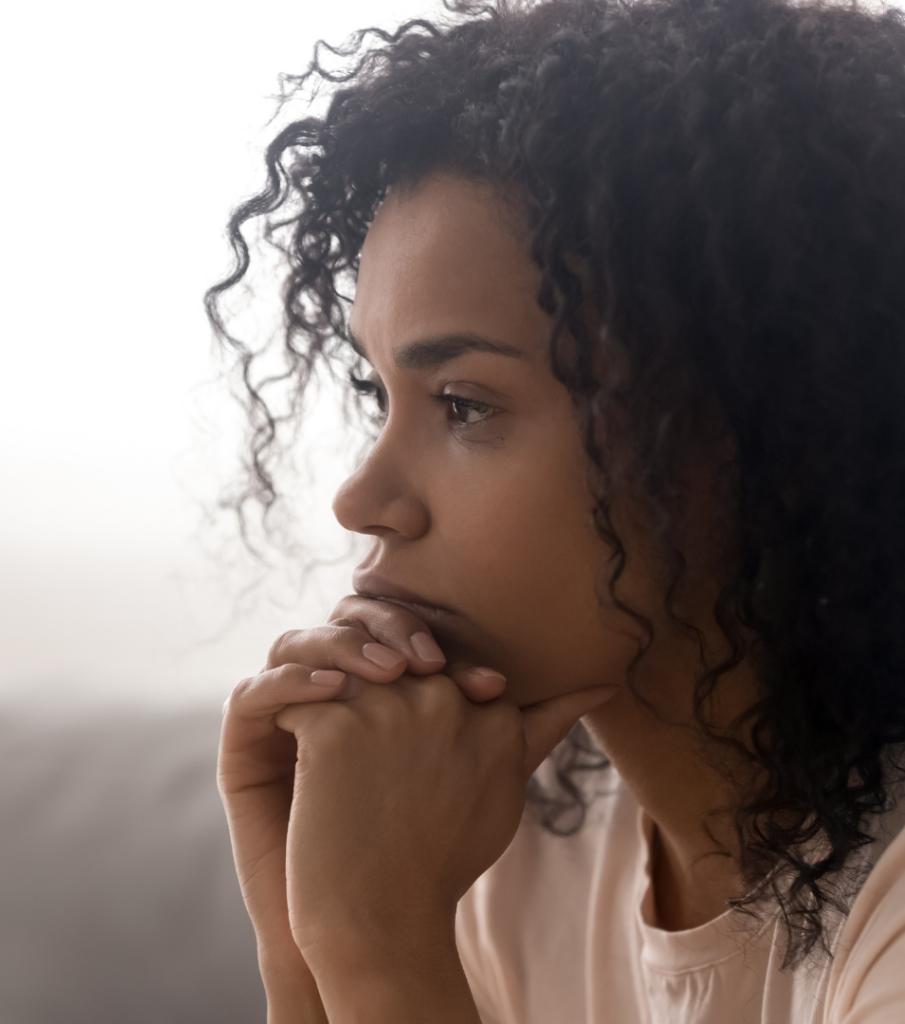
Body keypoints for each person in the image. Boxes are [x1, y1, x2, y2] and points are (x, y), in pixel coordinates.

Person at [207, 0, 905, 1020]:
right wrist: (298, 943)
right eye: (378, 396)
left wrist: (378, 948)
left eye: (463, 404)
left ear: (769, 426)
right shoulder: (505, 840)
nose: (362, 498)